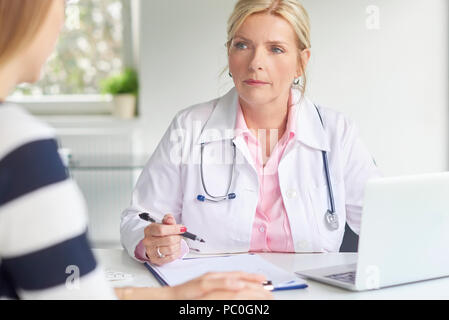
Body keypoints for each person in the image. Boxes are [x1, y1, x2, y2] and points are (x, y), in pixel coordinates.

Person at [0, 0, 272, 300]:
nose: (62, 21)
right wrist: (178, 297)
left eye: (275, 48)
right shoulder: (17, 149)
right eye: (60, 4)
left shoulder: (333, 131)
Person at [121, 0, 381, 266]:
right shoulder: (189, 127)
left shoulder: (338, 133)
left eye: (276, 49)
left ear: (301, 63)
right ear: (229, 53)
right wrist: (151, 241)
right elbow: (138, 218)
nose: (256, 62)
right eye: (242, 45)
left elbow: (386, 225)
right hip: (217, 293)